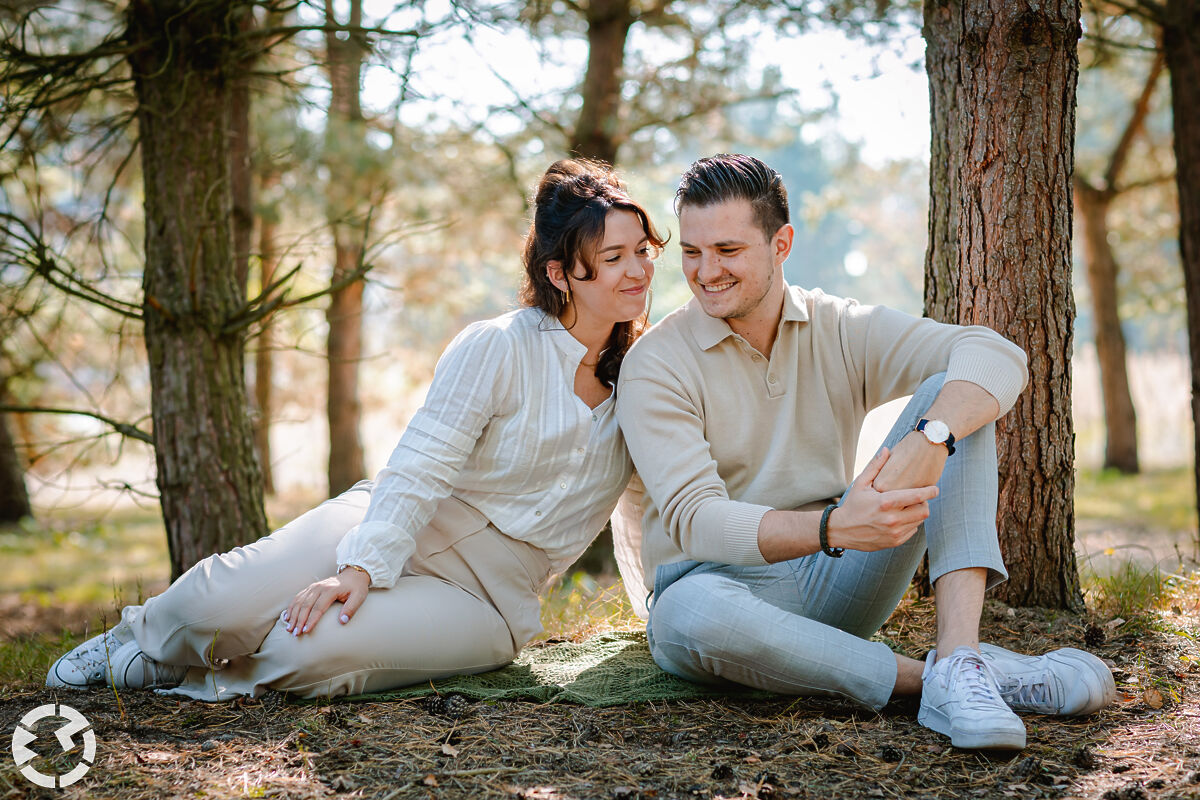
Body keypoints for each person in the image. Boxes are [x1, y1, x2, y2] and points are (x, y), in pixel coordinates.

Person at [47, 158, 662, 701]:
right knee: (210, 605)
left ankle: (199, 674)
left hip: (489, 599)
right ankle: (141, 638)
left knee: (307, 652)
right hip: (396, 516)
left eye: (643, 250)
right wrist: (362, 567)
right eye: (613, 257)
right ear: (559, 274)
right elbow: (422, 464)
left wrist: (660, 615)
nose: (637, 270)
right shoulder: (500, 346)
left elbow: (644, 509)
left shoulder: (645, 379)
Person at [613, 153, 1115, 751]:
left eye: (727, 250)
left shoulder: (837, 327)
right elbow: (697, 522)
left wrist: (933, 439)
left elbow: (995, 353)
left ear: (781, 244)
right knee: (683, 613)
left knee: (954, 396)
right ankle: (945, 680)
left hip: (837, 577)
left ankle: (959, 654)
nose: (706, 272)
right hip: (718, 594)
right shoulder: (655, 364)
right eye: (691, 253)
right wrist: (832, 526)